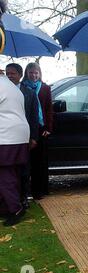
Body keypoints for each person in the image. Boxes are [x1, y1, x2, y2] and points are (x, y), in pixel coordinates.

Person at [0, 0, 31, 226]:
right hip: (17, 136)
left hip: (7, 137)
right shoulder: (10, 86)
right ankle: (10, 206)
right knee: (8, 174)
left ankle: (15, 208)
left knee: (5, 176)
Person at [6, 63, 39, 209]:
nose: (9, 76)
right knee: (8, 171)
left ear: (20, 75)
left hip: (24, 137)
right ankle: (8, 200)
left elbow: (33, 117)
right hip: (6, 138)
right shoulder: (2, 91)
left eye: (12, 73)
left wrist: (33, 137)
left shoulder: (29, 93)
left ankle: (23, 198)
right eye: (7, 73)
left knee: (24, 170)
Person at [22, 62, 53, 200]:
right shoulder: (21, 88)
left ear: (40, 74)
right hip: (25, 126)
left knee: (39, 162)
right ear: (26, 74)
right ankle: (24, 191)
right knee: (26, 161)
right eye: (31, 73)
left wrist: (48, 127)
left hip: (41, 128)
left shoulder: (45, 88)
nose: (34, 75)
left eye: (36, 73)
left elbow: (48, 109)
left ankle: (39, 191)